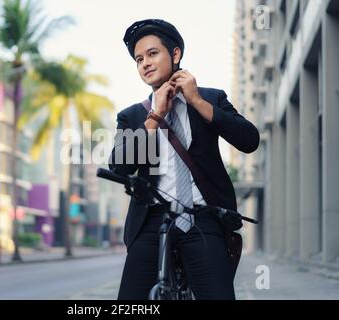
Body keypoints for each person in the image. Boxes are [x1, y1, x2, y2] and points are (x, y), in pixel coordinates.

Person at [108, 19, 260, 300]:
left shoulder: (211, 97)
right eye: (139, 59)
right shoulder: (131, 116)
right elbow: (120, 166)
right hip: (152, 219)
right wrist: (154, 118)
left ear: (175, 54)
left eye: (153, 53)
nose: (145, 63)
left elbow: (249, 140)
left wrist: (198, 102)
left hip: (203, 216)